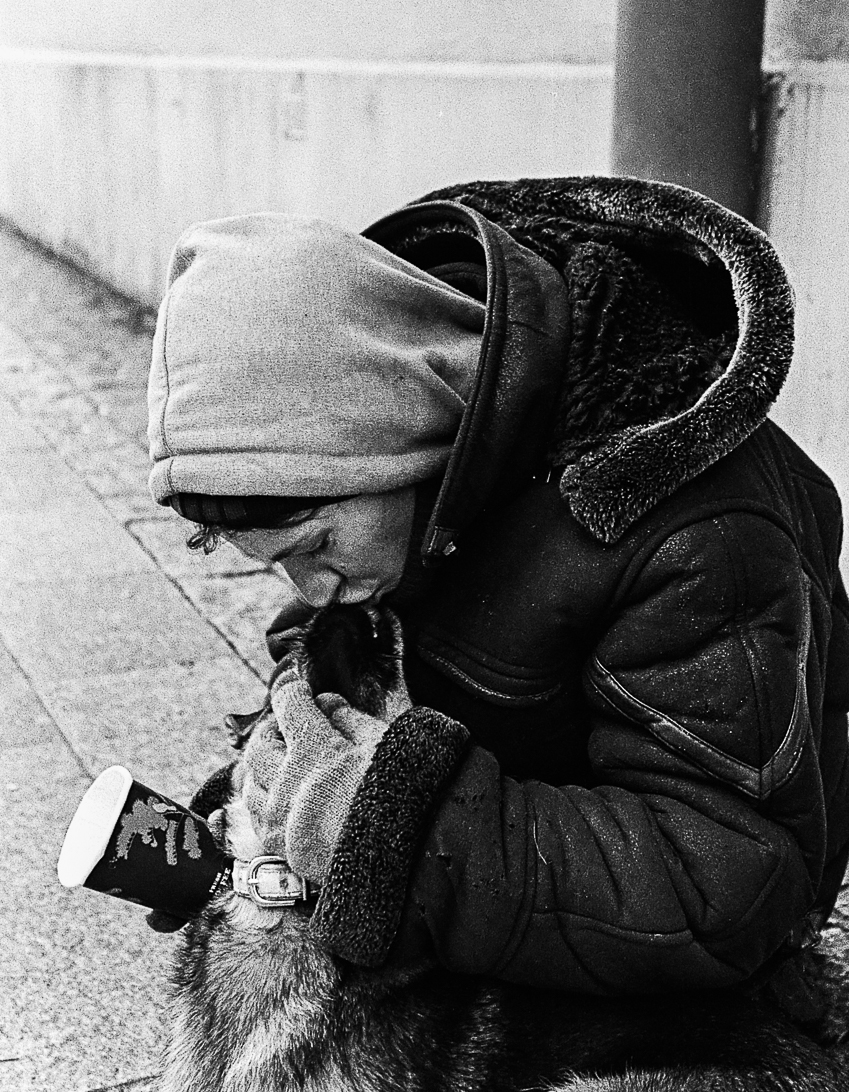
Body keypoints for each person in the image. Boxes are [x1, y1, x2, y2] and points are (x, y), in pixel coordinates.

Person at [146, 176, 849, 1015]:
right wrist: (268, 785)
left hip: (683, 967)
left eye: (316, 547)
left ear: (408, 446)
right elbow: (359, 642)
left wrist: (394, 831)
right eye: (274, 565)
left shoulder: (699, 537)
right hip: (519, 868)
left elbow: (727, 887)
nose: (312, 591)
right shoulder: (431, 443)